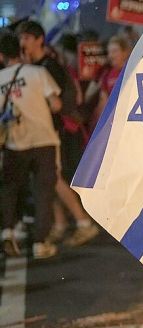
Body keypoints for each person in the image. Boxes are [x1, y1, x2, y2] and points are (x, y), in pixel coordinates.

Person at [17, 20, 99, 248]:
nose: (22, 43)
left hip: (53, 131)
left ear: (38, 39)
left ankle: (84, 223)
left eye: (26, 38)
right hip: (38, 132)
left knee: (53, 179)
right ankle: (59, 225)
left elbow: (58, 102)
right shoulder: (34, 66)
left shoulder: (49, 66)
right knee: (44, 181)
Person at [0, 32, 62, 259]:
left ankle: (7, 231)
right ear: (21, 50)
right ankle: (40, 242)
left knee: (10, 188)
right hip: (44, 140)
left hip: (15, 143)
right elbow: (56, 104)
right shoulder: (38, 73)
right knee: (43, 191)